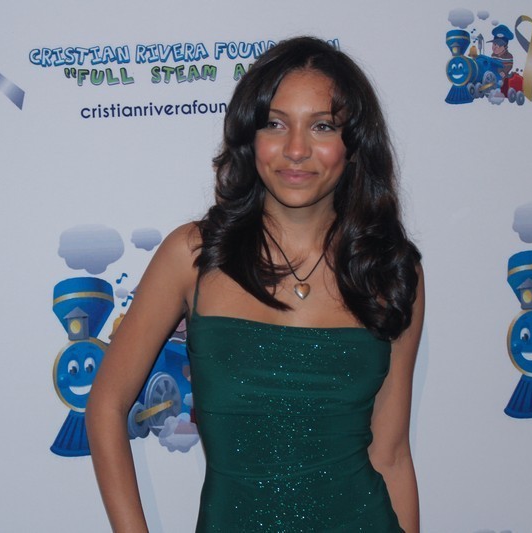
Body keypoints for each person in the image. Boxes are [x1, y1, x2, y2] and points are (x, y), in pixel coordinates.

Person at [86, 36, 424, 532]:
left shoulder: (390, 269)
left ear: (353, 146)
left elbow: (391, 454)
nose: (296, 150)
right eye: (275, 123)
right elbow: (106, 406)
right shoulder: (193, 256)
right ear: (251, 138)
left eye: (322, 126)